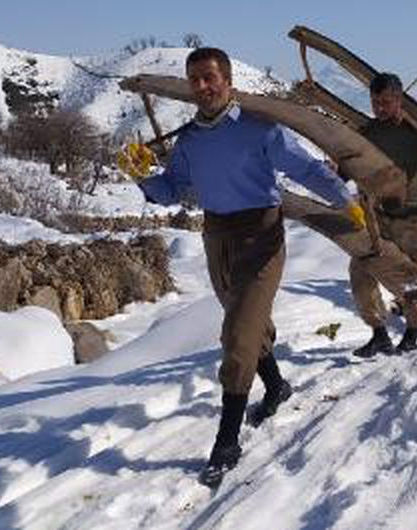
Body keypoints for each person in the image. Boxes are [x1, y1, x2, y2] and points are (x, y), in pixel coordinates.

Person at [120, 47, 364, 487]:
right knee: (247, 324)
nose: (202, 86)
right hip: (216, 238)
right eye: (195, 79)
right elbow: (173, 190)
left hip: (262, 237)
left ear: (229, 82)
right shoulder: (190, 140)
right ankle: (275, 387)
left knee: (237, 333)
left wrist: (345, 200)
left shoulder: (259, 130)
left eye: (210, 77)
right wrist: (142, 176)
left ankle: (226, 440)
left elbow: (305, 168)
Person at [349, 72, 417, 357]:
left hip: (414, 220)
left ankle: (412, 331)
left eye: (386, 102)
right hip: (379, 217)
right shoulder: (370, 131)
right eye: (375, 102)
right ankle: (379, 333)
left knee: (412, 276)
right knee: (361, 271)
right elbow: (353, 160)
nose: (379, 108)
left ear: (399, 100)